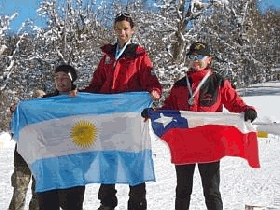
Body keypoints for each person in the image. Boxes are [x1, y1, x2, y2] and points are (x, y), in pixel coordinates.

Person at [141, 42, 258, 210]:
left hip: (210, 144)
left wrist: (247, 109)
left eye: (199, 57)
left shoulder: (218, 82)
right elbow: (169, 109)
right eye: (191, 57)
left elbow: (234, 102)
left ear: (209, 60)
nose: (195, 61)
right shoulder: (180, 85)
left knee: (211, 191)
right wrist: (153, 112)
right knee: (183, 191)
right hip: (185, 144)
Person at [78, 13, 162, 210]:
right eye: (118, 28)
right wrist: (80, 95)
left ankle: (137, 203)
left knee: (134, 161)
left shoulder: (140, 56)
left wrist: (155, 91)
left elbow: (152, 81)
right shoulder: (107, 57)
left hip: (130, 118)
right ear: (114, 30)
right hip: (107, 118)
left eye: (125, 28)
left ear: (132, 30)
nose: (122, 32)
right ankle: (107, 203)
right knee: (108, 160)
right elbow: (97, 84)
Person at [35, 64, 85, 210]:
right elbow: (29, 111)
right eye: (57, 77)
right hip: (49, 164)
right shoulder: (46, 101)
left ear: (71, 80)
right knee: (47, 205)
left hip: (73, 165)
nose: (60, 81)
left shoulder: (82, 100)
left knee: (72, 205)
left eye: (64, 77)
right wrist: (17, 109)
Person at [8, 90, 46, 210]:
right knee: (20, 194)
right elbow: (14, 130)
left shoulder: (46, 117)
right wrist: (15, 111)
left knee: (37, 194)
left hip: (38, 160)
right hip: (23, 159)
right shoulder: (23, 113)